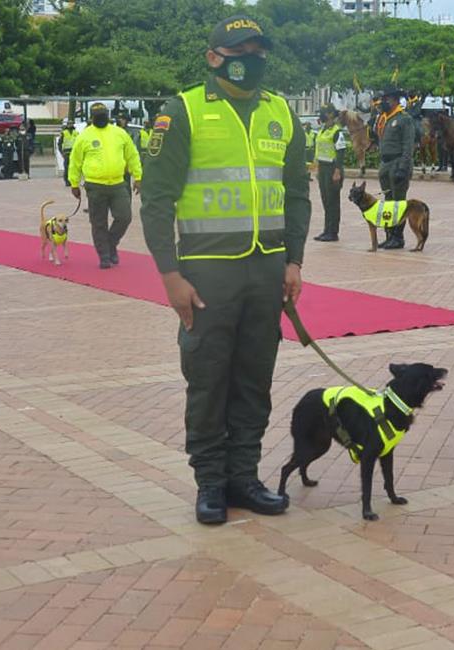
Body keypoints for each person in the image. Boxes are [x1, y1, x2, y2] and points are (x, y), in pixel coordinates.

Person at [140, 15, 309, 525]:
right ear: (214, 57)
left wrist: (294, 260)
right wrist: (170, 276)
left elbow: (297, 194)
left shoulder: (282, 112)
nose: (250, 59)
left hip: (266, 271)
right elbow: (156, 201)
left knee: (254, 380)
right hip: (207, 273)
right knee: (209, 379)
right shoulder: (183, 112)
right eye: (241, 50)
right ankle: (210, 482)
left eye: (258, 50)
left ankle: (244, 477)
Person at [68, 102, 142, 269]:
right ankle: (105, 255)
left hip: (118, 184)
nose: (101, 117)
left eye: (103, 114)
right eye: (97, 115)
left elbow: (132, 156)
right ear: (92, 117)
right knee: (98, 222)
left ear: (108, 116)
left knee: (124, 217)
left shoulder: (119, 133)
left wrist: (138, 177)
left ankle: (111, 243)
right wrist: (74, 183)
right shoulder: (84, 136)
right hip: (95, 185)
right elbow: (75, 161)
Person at [376, 88, 415, 249]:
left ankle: (398, 237)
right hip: (385, 164)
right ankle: (389, 235)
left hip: (398, 163)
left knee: (398, 203)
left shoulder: (404, 119)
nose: (384, 102)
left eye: (387, 99)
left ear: (395, 100)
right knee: (388, 203)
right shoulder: (384, 118)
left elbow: (408, 145)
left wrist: (403, 167)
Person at [312, 105, 347, 242]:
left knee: (333, 202)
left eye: (324, 113)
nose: (322, 115)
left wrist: (337, 171)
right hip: (323, 169)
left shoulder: (337, 131)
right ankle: (326, 230)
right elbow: (318, 151)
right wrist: (317, 168)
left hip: (333, 169)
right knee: (326, 201)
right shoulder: (322, 131)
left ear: (331, 114)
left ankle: (333, 232)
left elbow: (341, 152)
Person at [58, 118, 76, 187]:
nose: (70, 125)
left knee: (73, 167)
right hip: (66, 151)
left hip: (74, 151)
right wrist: (61, 152)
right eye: (69, 124)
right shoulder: (64, 133)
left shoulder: (76, 132)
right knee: (67, 167)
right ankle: (67, 181)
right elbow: (60, 143)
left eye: (71, 124)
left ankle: (73, 180)